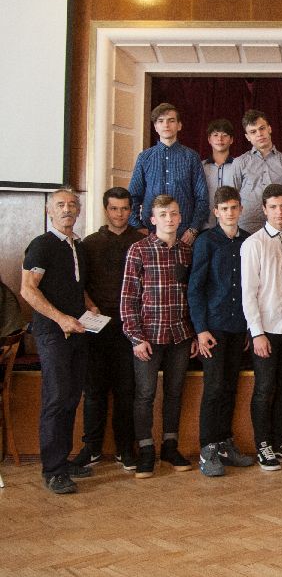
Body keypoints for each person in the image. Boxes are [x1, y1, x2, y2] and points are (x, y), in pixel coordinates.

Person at [21, 188, 94, 493]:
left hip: (78, 332)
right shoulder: (42, 245)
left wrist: (90, 305)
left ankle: (62, 461)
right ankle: (52, 470)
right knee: (56, 398)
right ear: (49, 211)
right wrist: (60, 318)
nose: (67, 209)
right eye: (61, 205)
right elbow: (28, 289)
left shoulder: (78, 246)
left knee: (71, 398)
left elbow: (76, 286)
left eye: (72, 205)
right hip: (53, 334)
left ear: (78, 211)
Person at [121, 194, 198, 479]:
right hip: (148, 337)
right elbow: (128, 298)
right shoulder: (138, 250)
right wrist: (135, 337)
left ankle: (169, 445)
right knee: (145, 394)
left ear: (180, 218)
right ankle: (145, 450)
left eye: (174, 214)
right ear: (153, 219)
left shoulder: (187, 251)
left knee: (175, 393)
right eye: (163, 214)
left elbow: (193, 296)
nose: (169, 219)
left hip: (180, 335)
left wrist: (194, 334)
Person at [188, 186, 254, 477]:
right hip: (213, 328)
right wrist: (200, 329)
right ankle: (208, 448)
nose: (229, 213)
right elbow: (195, 288)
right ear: (216, 212)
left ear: (240, 209)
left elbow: (253, 287)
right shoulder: (206, 241)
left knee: (230, 387)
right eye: (224, 209)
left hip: (238, 326)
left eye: (233, 208)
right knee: (214, 388)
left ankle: (225, 443)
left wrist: (251, 328)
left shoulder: (248, 241)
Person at [72, 187, 139, 472]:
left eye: (124, 208)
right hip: (96, 327)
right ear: (105, 210)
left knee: (126, 390)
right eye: (114, 208)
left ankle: (125, 448)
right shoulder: (89, 244)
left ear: (131, 210)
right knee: (94, 390)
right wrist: (90, 306)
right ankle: (92, 448)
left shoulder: (140, 242)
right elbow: (80, 285)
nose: (119, 214)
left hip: (129, 327)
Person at [241, 183, 282, 471]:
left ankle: (279, 441)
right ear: (264, 210)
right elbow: (248, 293)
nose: (279, 212)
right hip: (266, 329)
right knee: (265, 388)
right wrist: (257, 333)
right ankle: (262, 443)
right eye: (273, 207)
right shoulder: (254, 244)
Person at [128, 102, 209, 243]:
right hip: (150, 233)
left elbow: (202, 197)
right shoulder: (144, 158)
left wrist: (193, 229)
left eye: (171, 120)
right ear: (155, 127)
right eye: (161, 121)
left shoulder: (191, 157)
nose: (166, 125)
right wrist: (138, 227)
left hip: (184, 235)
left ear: (179, 125)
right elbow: (133, 196)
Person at [229, 109, 282, 233]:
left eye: (262, 128)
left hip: (277, 224)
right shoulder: (239, 163)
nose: (259, 134)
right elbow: (231, 197)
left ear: (269, 129)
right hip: (246, 225)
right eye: (253, 132)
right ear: (247, 137)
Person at [201, 118, 237, 230]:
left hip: (232, 226)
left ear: (231, 140)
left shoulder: (239, 166)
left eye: (224, 135)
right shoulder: (201, 167)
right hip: (206, 226)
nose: (220, 139)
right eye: (215, 135)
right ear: (209, 139)